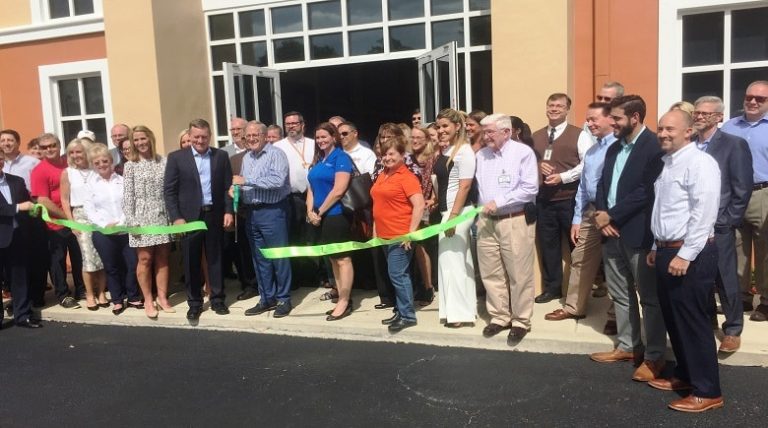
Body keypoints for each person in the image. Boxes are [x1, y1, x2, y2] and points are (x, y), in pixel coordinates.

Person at [646, 109, 723, 413]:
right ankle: (685, 376)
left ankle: (708, 390)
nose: (663, 134)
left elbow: (704, 213)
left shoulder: (700, 163)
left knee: (693, 322)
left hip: (690, 254)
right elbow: (664, 210)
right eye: (660, 128)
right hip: (667, 250)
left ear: (689, 131)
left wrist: (685, 254)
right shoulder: (668, 164)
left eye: (670, 129)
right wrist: (656, 245)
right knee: (674, 319)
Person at [590, 95, 667, 384]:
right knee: (620, 295)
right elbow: (602, 184)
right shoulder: (614, 147)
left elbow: (647, 191)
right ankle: (627, 346)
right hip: (610, 233)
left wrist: (612, 216)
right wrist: (601, 214)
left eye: (617, 118)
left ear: (635, 118)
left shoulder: (653, 147)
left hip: (638, 232)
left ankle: (655, 356)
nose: (612, 122)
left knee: (649, 298)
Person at [692, 96, 753, 353]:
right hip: (692, 224)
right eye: (696, 113)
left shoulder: (733, 144)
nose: (699, 117)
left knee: (724, 276)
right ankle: (708, 323)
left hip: (719, 224)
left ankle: (733, 328)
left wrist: (728, 220)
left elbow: (742, 188)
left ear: (719, 117)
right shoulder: (688, 144)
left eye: (706, 114)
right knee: (699, 276)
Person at [545, 103, 617, 321]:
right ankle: (574, 307)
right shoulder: (594, 151)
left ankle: (616, 315)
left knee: (615, 263)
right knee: (580, 258)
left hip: (614, 213)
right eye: (588, 119)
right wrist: (577, 218)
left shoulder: (620, 147)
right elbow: (584, 187)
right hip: (590, 211)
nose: (589, 123)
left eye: (594, 119)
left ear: (610, 120)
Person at [475, 113, 539, 344]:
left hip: (514, 219)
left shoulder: (523, 153)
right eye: (484, 132)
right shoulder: (481, 155)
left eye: (490, 131)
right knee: (491, 272)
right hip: (486, 222)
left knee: (518, 274)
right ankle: (499, 316)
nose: (485, 136)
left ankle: (521, 320)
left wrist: (499, 201)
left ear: (507, 132)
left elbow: (530, 188)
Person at [164, 119, 234, 321]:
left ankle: (218, 299)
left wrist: (228, 211)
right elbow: (170, 191)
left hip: (214, 214)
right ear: (190, 136)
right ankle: (194, 303)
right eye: (196, 137)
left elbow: (227, 187)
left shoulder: (220, 156)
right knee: (191, 261)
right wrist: (176, 217)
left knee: (216, 258)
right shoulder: (177, 158)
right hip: (189, 218)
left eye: (204, 137)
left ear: (209, 136)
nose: (200, 140)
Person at [532, 93, 594, 304]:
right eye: (551, 105)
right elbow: (527, 164)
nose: (554, 108)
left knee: (577, 247)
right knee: (548, 246)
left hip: (570, 200)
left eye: (559, 106)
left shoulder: (579, 135)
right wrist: (537, 166)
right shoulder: (536, 136)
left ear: (568, 109)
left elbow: (587, 164)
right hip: (544, 201)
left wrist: (563, 177)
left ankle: (585, 290)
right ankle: (553, 288)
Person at [721, 80, 768, 322]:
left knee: (765, 249)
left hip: (764, 193)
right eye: (749, 96)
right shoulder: (729, 127)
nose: (752, 101)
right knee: (737, 247)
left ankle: (766, 300)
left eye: (760, 99)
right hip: (735, 195)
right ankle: (740, 296)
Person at [235, 122, 293, 317]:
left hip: (273, 211)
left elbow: (277, 181)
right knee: (259, 259)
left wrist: (246, 182)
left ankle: (284, 299)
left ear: (265, 135)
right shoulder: (247, 158)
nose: (251, 139)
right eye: (247, 136)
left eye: (255, 135)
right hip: (252, 213)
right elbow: (244, 184)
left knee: (278, 256)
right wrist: (236, 189)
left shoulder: (276, 154)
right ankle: (266, 298)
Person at [371, 136, 425, 332]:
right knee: (395, 275)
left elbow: (419, 206)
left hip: (400, 236)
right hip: (384, 235)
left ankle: (408, 315)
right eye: (384, 154)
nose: (387, 158)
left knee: (398, 275)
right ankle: (401, 311)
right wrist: (376, 229)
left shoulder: (407, 177)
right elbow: (378, 204)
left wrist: (410, 234)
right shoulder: (383, 174)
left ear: (402, 155)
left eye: (392, 153)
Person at [124, 125, 174, 318]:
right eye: (136, 140)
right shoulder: (130, 165)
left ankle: (162, 297)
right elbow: (128, 197)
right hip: (141, 216)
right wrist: (132, 221)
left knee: (162, 259)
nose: (140, 143)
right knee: (145, 259)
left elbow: (169, 191)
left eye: (142, 139)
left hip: (162, 214)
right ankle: (147, 299)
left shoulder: (164, 161)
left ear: (150, 139)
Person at [84, 145, 140, 316]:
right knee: (111, 267)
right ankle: (117, 299)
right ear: (93, 165)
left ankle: (132, 296)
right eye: (97, 162)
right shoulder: (90, 185)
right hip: (103, 233)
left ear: (111, 161)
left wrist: (121, 222)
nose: (102, 164)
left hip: (125, 230)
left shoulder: (122, 180)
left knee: (132, 264)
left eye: (105, 160)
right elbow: (89, 210)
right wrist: (105, 224)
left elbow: (130, 202)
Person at [30, 133, 85, 309]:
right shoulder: (39, 170)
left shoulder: (67, 162)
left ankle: (82, 289)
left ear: (59, 146)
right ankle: (63, 294)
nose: (49, 149)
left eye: (52, 145)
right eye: (45, 147)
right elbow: (43, 200)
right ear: (40, 149)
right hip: (54, 224)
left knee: (79, 255)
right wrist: (67, 217)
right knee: (58, 260)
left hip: (75, 219)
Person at [434, 108, 477, 328]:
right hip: (448, 211)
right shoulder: (448, 150)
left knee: (453, 263)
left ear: (457, 127)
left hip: (457, 212)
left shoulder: (464, 151)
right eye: (438, 126)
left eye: (445, 126)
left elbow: (465, 186)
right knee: (456, 260)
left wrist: (452, 218)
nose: (440, 130)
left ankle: (459, 314)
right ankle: (460, 310)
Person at [306, 122, 354, 321]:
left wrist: (319, 211)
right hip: (320, 217)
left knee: (343, 259)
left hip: (336, 215)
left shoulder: (341, 158)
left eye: (324, 136)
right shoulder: (319, 159)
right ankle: (339, 292)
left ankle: (345, 301)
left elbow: (339, 190)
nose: (320, 140)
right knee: (333, 259)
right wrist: (310, 211)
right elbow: (311, 188)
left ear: (334, 137)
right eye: (318, 138)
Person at [60, 138, 108, 310]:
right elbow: (65, 200)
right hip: (80, 216)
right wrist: (72, 223)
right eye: (71, 152)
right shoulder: (68, 172)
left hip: (100, 215)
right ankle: (89, 294)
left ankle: (102, 292)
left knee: (102, 256)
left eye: (78, 151)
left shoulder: (96, 169)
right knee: (88, 257)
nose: (75, 155)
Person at [0, 130, 47, 306]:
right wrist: (19, 207)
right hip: (2, 230)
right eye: (3, 140)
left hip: (22, 226)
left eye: (10, 140)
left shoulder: (26, 169)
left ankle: (25, 310)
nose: (6, 143)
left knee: (22, 271)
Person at [273, 111, 316, 288]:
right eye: (288, 124)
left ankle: (316, 275)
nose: (291, 126)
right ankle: (297, 277)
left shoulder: (314, 144)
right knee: (294, 237)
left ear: (303, 125)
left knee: (313, 236)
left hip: (314, 196)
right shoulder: (278, 146)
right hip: (291, 198)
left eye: (294, 123)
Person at [0, 152, 41, 328]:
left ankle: (22, 315)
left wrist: (35, 208)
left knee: (20, 278)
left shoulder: (16, 180)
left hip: (17, 237)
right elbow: (18, 206)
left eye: (0, 158)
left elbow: (27, 202)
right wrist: (18, 207)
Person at [411, 126, 438, 306]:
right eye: (412, 137)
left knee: (423, 247)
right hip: (409, 208)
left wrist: (433, 199)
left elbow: (438, 184)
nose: (415, 140)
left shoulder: (433, 159)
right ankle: (419, 283)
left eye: (419, 137)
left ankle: (428, 286)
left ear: (427, 139)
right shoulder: (407, 159)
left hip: (428, 208)